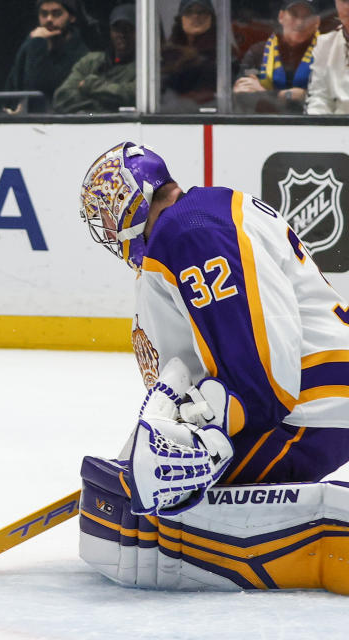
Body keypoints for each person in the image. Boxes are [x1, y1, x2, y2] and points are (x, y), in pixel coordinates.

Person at [75, 141, 349, 593]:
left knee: (152, 512)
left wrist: (208, 435)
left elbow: (262, 378)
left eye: (106, 214)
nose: (105, 229)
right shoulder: (199, 216)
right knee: (135, 488)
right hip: (311, 396)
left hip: (307, 410)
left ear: (131, 199)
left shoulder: (191, 231)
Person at [233, 0, 319, 114]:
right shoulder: (258, 52)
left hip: (314, 124)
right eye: (294, 14)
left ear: (317, 21)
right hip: (264, 123)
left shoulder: (326, 51)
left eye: (307, 17)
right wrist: (283, 96)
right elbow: (243, 92)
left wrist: (263, 93)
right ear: (281, 17)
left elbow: (330, 96)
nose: (300, 23)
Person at [4, 0, 89, 110]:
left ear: (72, 17)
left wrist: (36, 42)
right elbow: (13, 85)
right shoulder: (32, 43)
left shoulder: (82, 54)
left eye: (57, 14)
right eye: (44, 14)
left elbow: (41, 86)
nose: (49, 19)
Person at [52, 3, 135, 114]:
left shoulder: (145, 67)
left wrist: (89, 84)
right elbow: (61, 98)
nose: (122, 34)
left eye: (128, 29)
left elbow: (131, 96)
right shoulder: (90, 61)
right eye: (116, 28)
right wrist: (109, 106)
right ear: (110, 31)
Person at [160, 0, 219, 112]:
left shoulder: (223, 50)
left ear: (211, 18)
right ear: (180, 18)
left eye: (202, 12)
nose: (195, 16)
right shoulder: (170, 51)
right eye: (189, 12)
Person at [306, 0, 349, 114]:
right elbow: (319, 98)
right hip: (336, 126)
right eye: (344, 1)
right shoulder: (325, 43)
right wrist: (317, 127)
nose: (348, 7)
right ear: (336, 4)